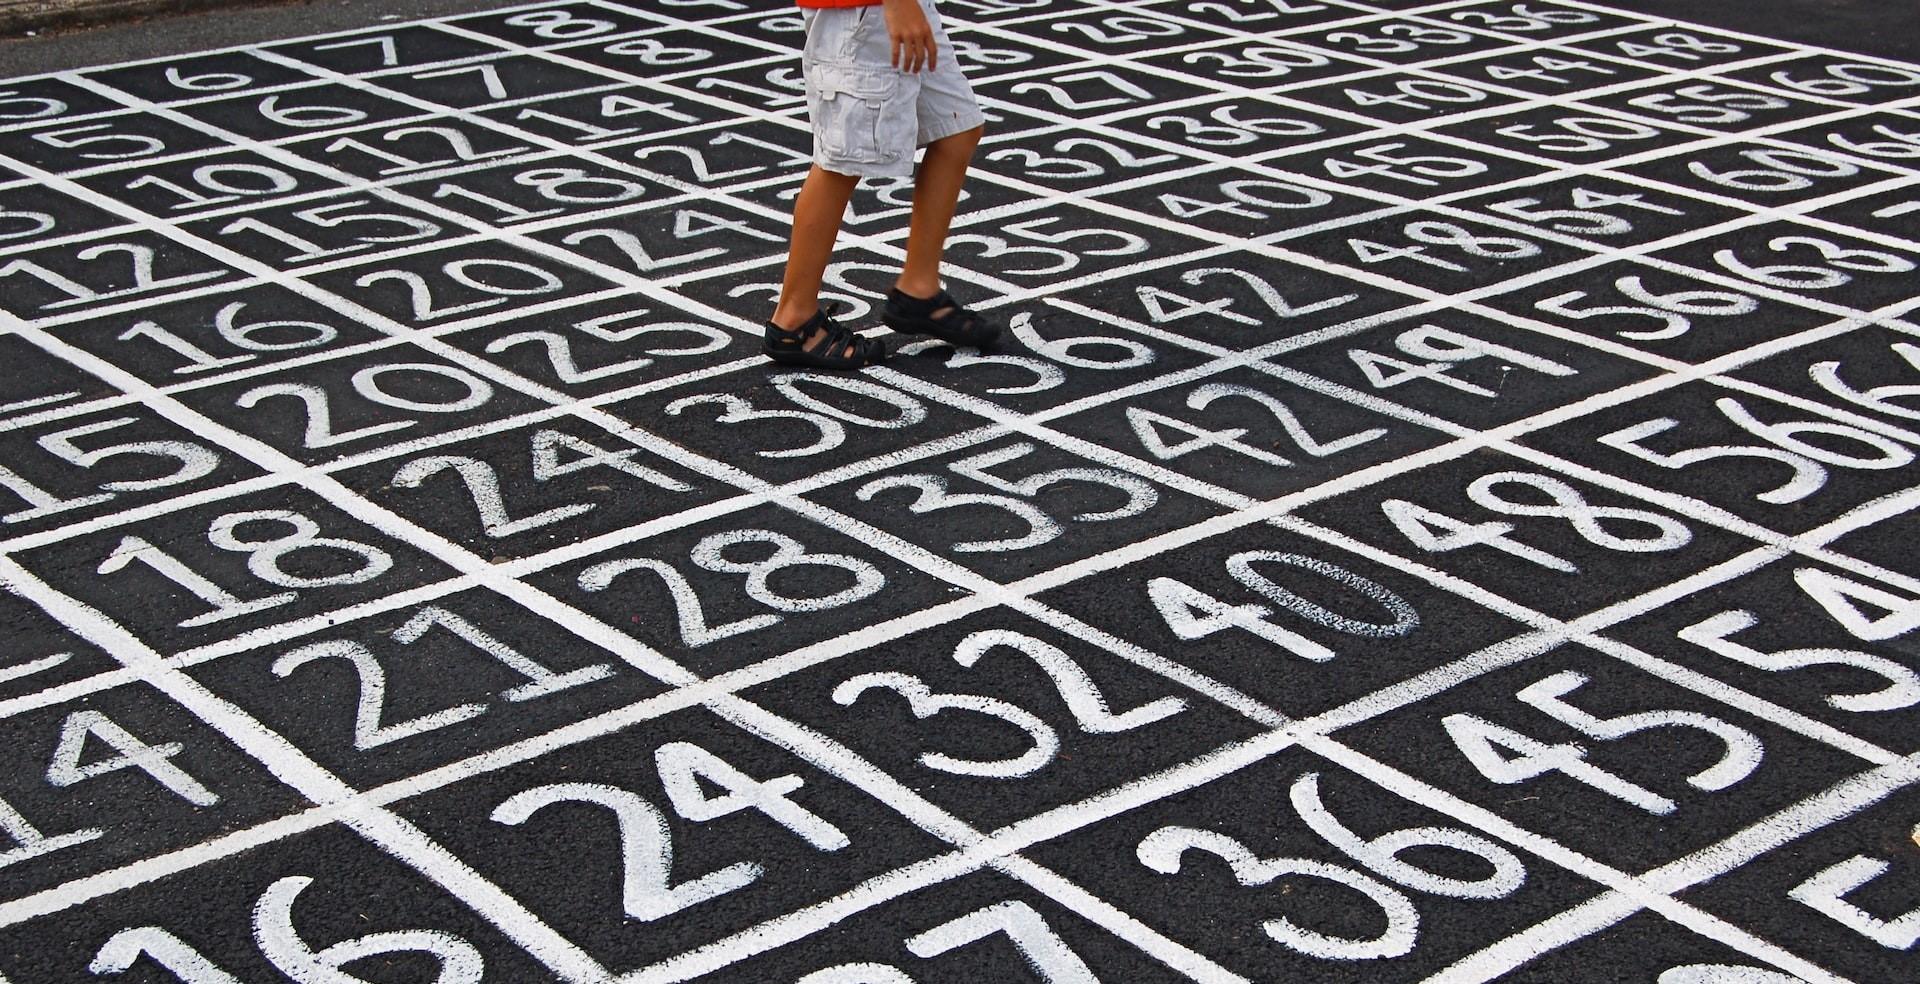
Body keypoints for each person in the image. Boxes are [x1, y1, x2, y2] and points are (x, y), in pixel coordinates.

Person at [764, 0, 998, 369]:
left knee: (957, 128)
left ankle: (917, 288)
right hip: (862, 14)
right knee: (841, 160)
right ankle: (793, 318)